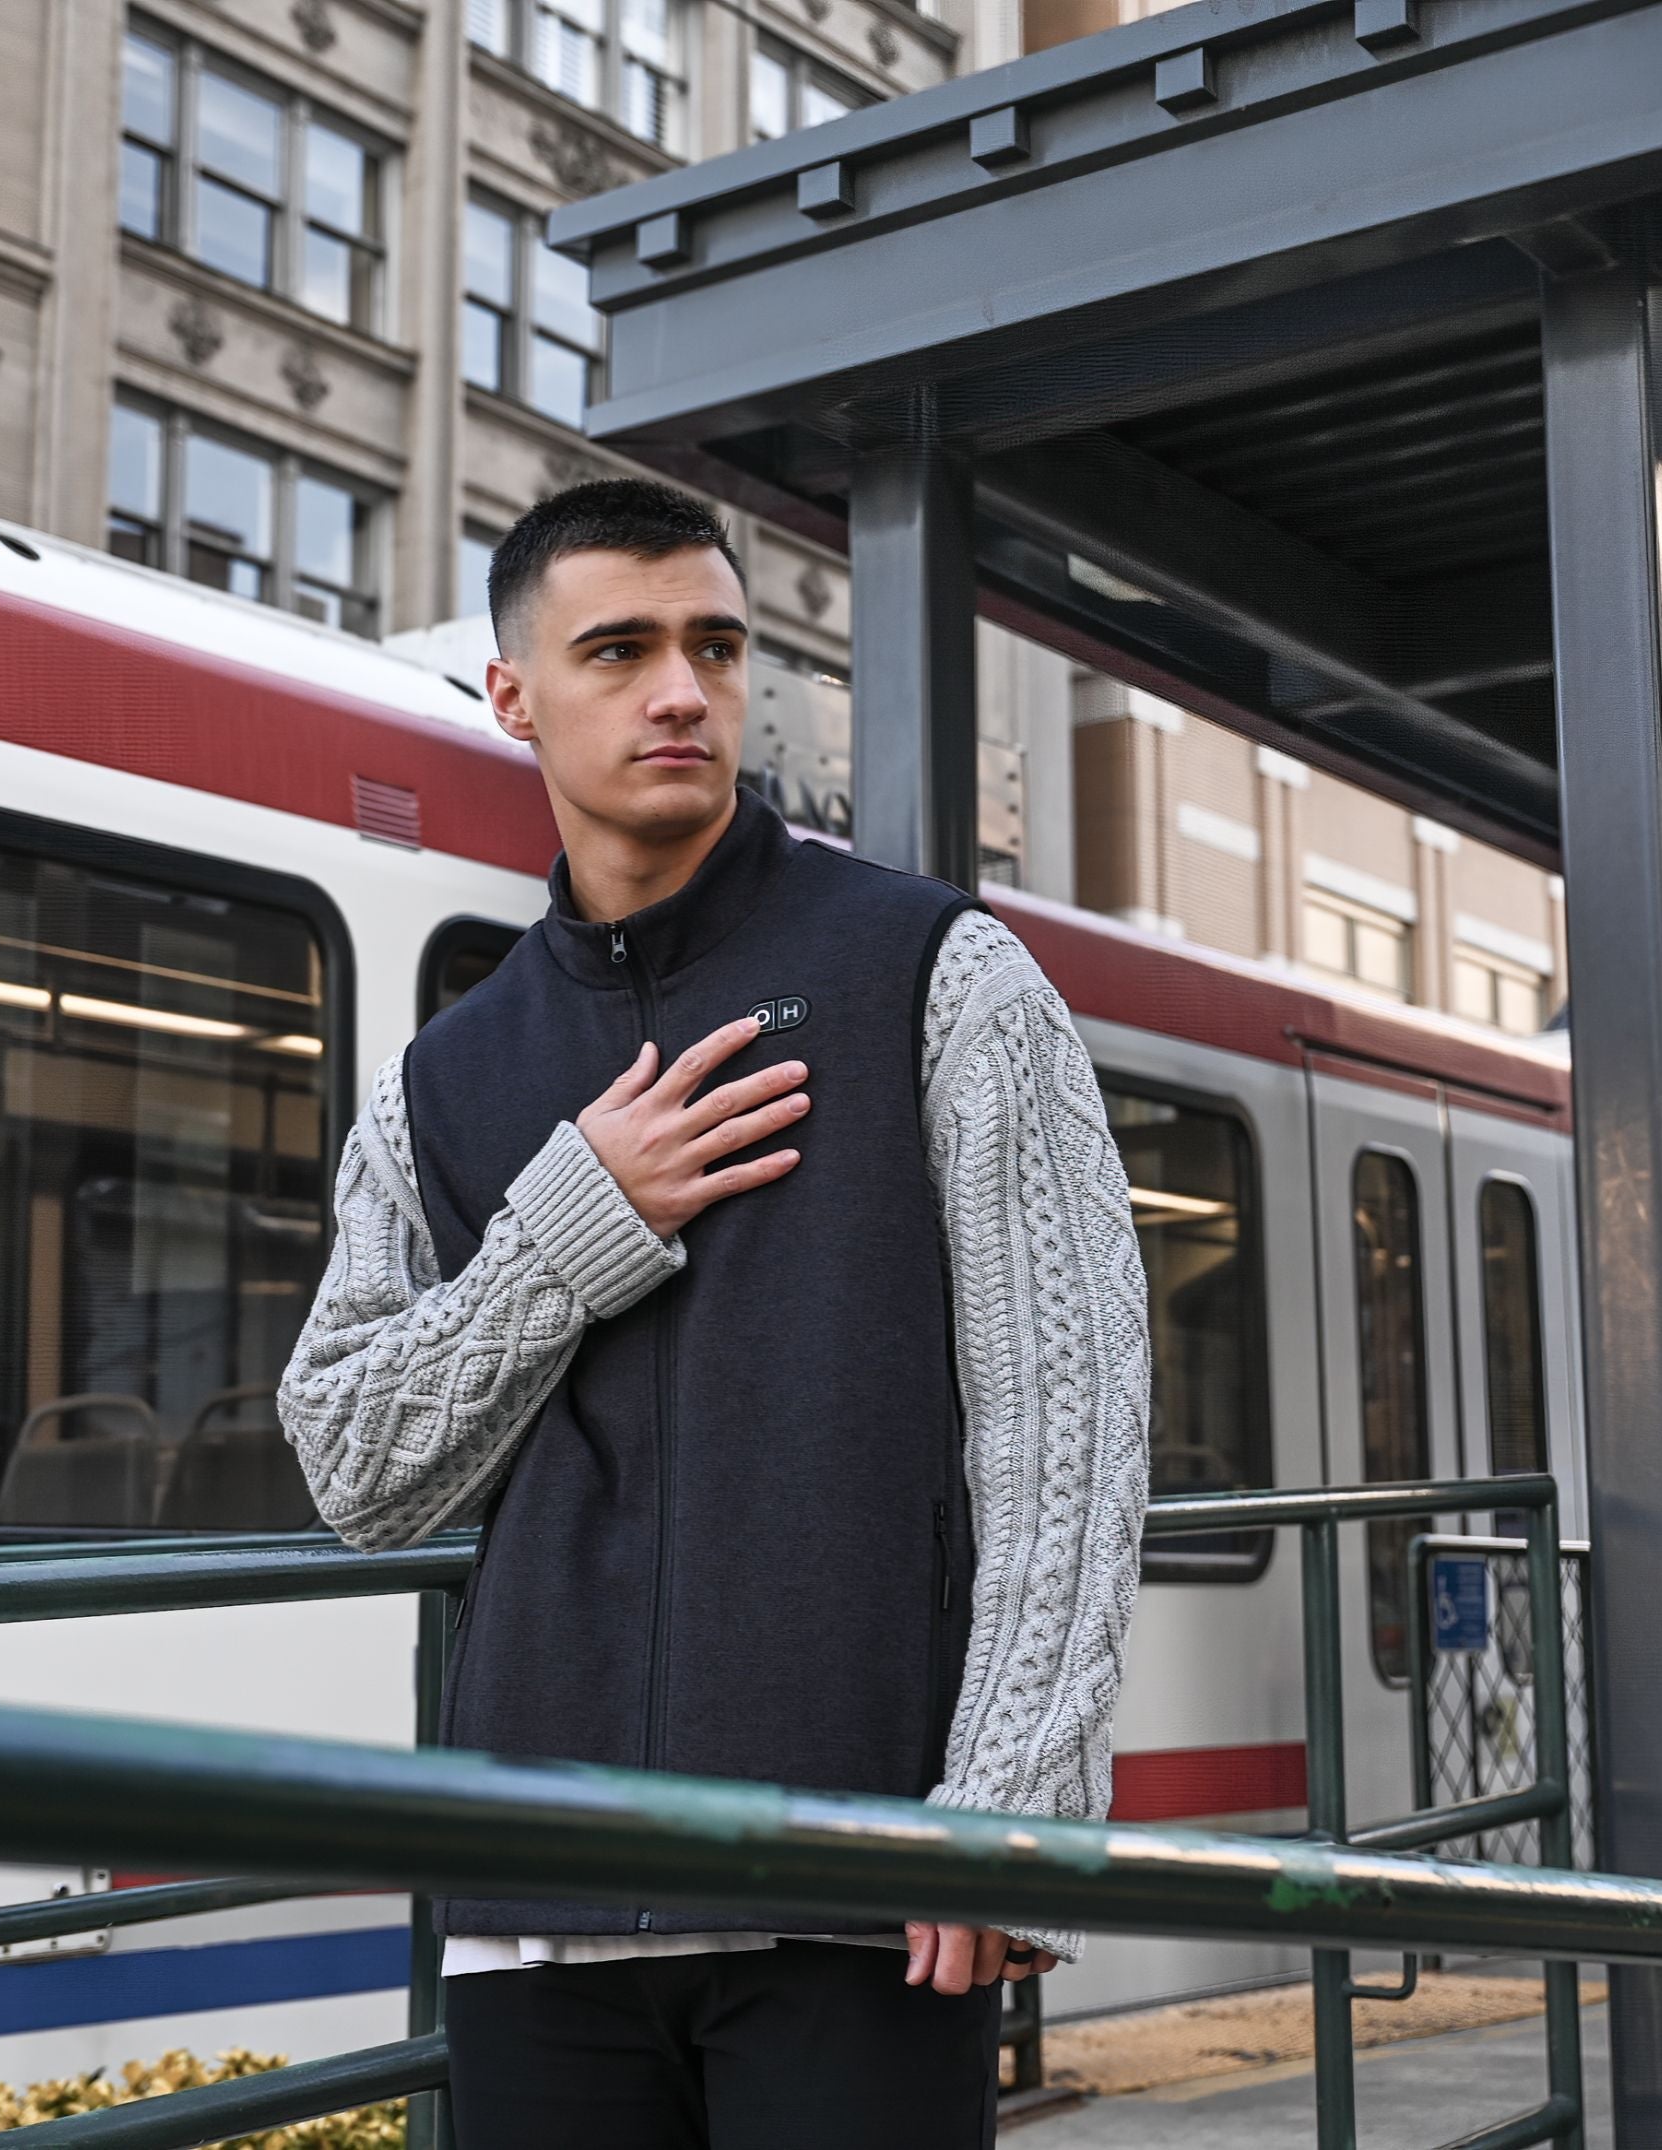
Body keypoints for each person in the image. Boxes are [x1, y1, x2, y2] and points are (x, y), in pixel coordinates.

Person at [278, 477, 1150, 2149]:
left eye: (716, 645)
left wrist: (1014, 1806)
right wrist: (572, 1226)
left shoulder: (940, 973)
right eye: (621, 648)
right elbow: (351, 1464)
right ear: (513, 694)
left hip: (858, 1872)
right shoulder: (440, 1084)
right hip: (542, 1887)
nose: (683, 689)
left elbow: (1075, 1411)